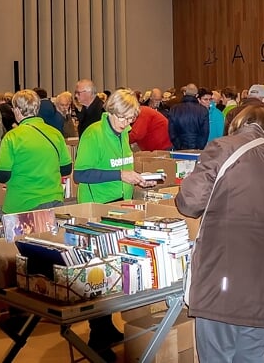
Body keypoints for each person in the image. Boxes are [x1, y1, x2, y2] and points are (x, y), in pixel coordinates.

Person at [176, 104, 264, 363]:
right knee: (252, 355)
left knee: (216, 353)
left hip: (223, 277)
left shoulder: (221, 148)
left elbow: (189, 201)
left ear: (236, 123)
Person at [73, 89, 155, 361]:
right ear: (111, 112)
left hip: (121, 207)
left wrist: (138, 179)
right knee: (99, 271)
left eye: (131, 119)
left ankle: (106, 328)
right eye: (124, 119)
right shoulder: (93, 134)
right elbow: (81, 174)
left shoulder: (122, 134)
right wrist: (121, 174)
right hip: (98, 211)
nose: (128, 124)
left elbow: (123, 168)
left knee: (113, 272)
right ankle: (97, 336)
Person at [0, 90, 72, 213]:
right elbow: (66, 169)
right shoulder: (55, 133)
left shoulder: (12, 137)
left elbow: (2, 175)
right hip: (54, 200)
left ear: (17, 110)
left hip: (22, 204)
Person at [224, 84, 264, 158]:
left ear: (248, 96)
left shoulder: (232, 112)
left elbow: (226, 139)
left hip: (238, 158)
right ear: (263, 99)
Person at [168, 84, 209, 150]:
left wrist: (179, 147)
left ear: (184, 93)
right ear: (197, 95)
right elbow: (205, 133)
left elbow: (172, 132)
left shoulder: (174, 109)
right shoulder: (203, 110)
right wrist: (199, 147)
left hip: (179, 147)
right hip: (197, 148)